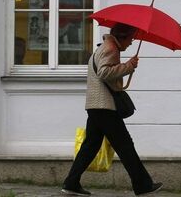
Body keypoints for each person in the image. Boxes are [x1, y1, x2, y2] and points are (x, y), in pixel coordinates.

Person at [62, 23, 163, 196]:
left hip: (95, 105)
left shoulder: (103, 48)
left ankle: (71, 182)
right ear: (122, 36)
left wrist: (126, 66)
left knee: (90, 146)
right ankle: (143, 185)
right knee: (125, 145)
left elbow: (105, 72)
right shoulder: (111, 48)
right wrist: (128, 66)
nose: (131, 43)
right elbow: (104, 73)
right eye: (130, 39)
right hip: (105, 106)